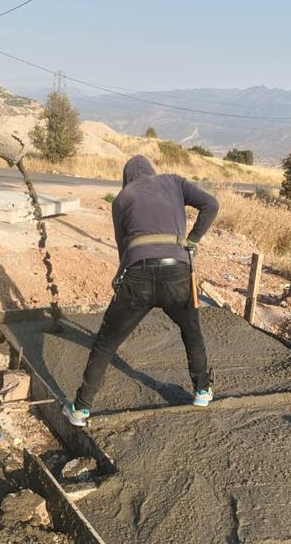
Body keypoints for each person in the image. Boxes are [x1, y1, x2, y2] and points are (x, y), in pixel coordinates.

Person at [63, 154, 219, 427]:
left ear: (127, 177)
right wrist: (192, 240)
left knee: (105, 344)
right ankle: (202, 392)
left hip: (138, 275)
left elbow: (124, 249)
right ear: (151, 171)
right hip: (177, 274)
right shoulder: (175, 182)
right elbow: (211, 204)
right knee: (192, 331)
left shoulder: (122, 198)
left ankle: (80, 409)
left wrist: (120, 280)